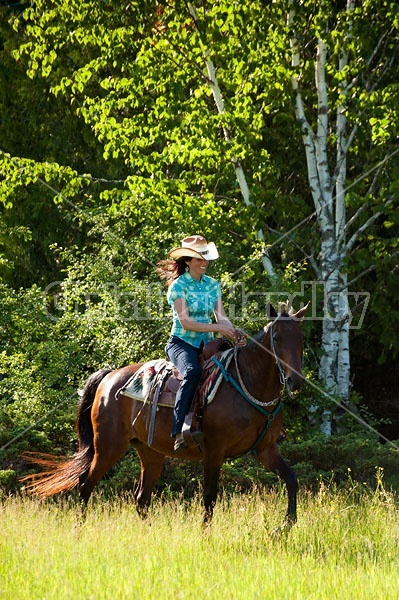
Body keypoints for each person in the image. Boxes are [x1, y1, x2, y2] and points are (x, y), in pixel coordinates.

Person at [157, 235, 237, 452]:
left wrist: (233, 331)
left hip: (208, 345)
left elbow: (220, 316)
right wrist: (219, 329)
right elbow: (186, 322)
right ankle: (178, 431)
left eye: (206, 258)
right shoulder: (178, 286)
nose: (204, 263)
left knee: (233, 369)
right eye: (199, 259)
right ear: (188, 261)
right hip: (182, 344)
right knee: (192, 372)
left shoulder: (213, 285)